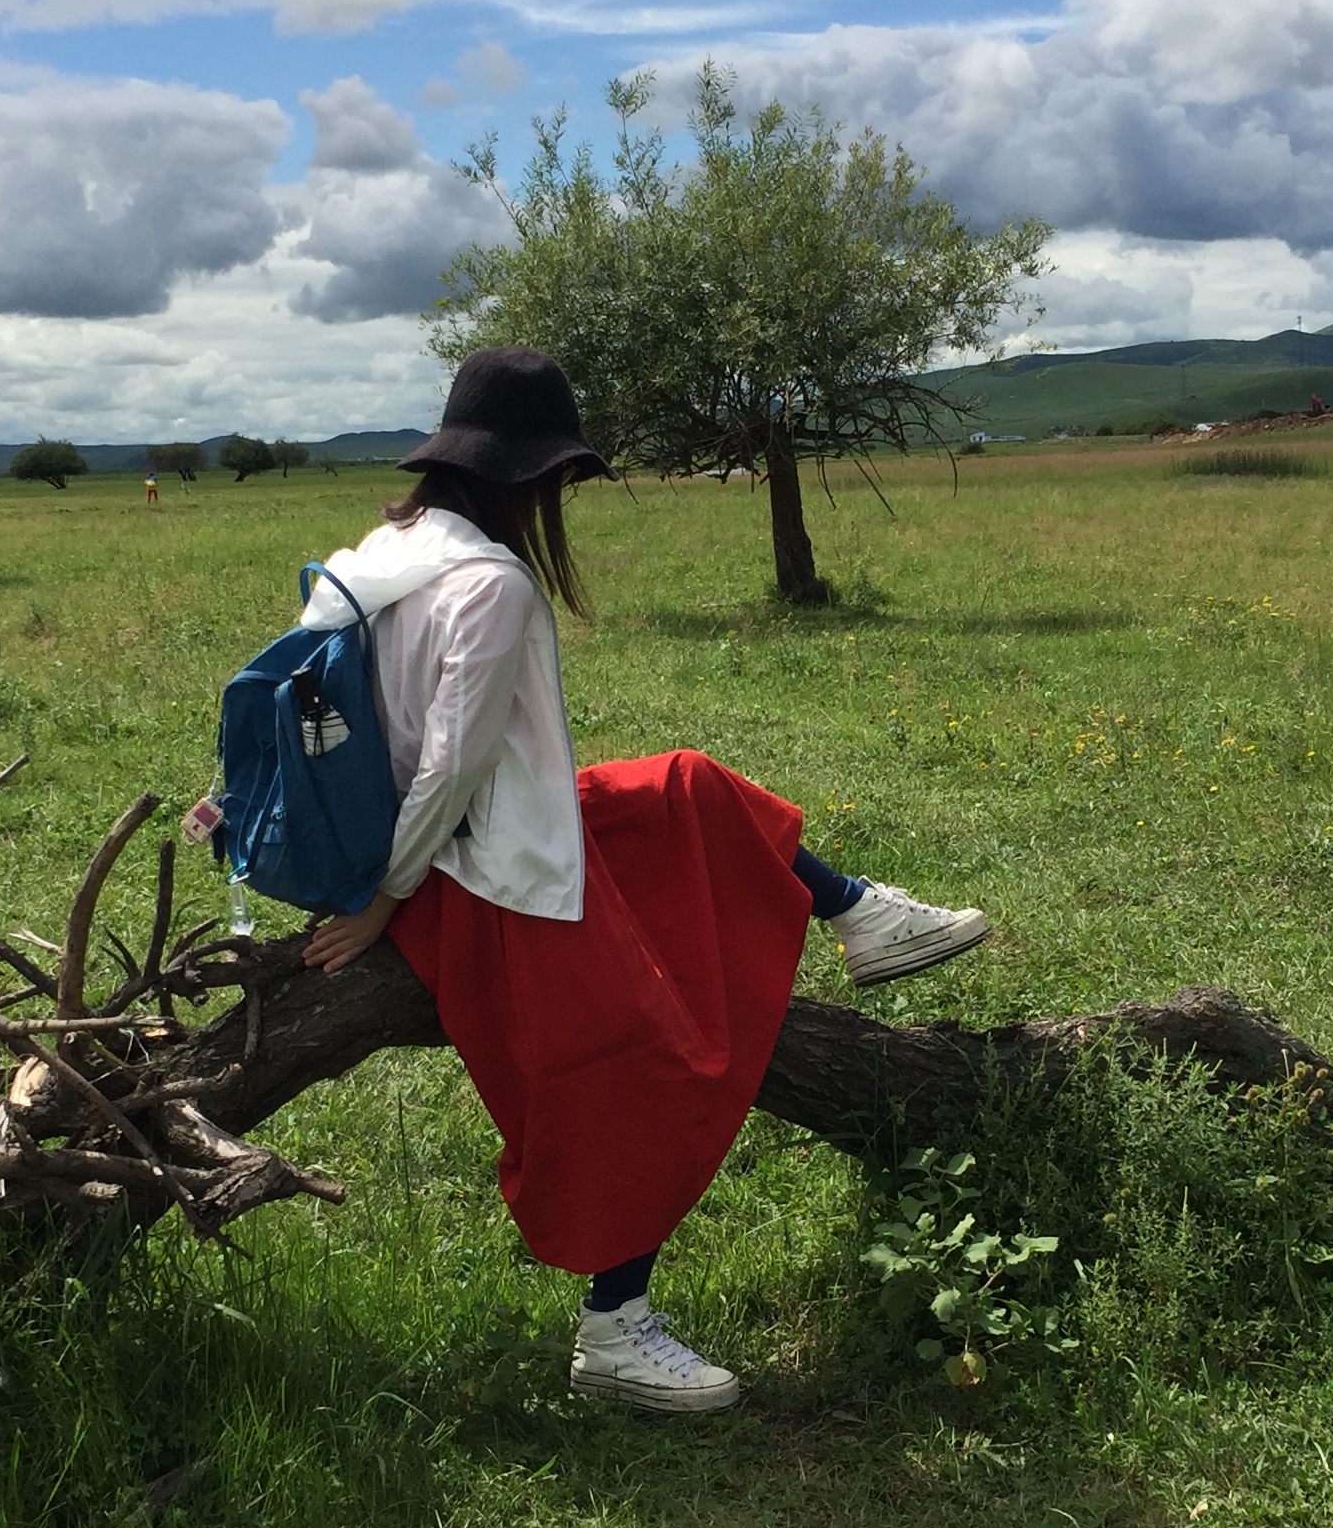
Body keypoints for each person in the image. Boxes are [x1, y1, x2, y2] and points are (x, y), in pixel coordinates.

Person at [220, 347, 990, 1416]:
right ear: (528, 475)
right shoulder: (491, 585)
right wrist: (383, 902)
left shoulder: (380, 555)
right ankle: (615, 1328)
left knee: (683, 785)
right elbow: (450, 768)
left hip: (459, 832)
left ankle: (858, 912)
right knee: (652, 1056)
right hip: (473, 867)